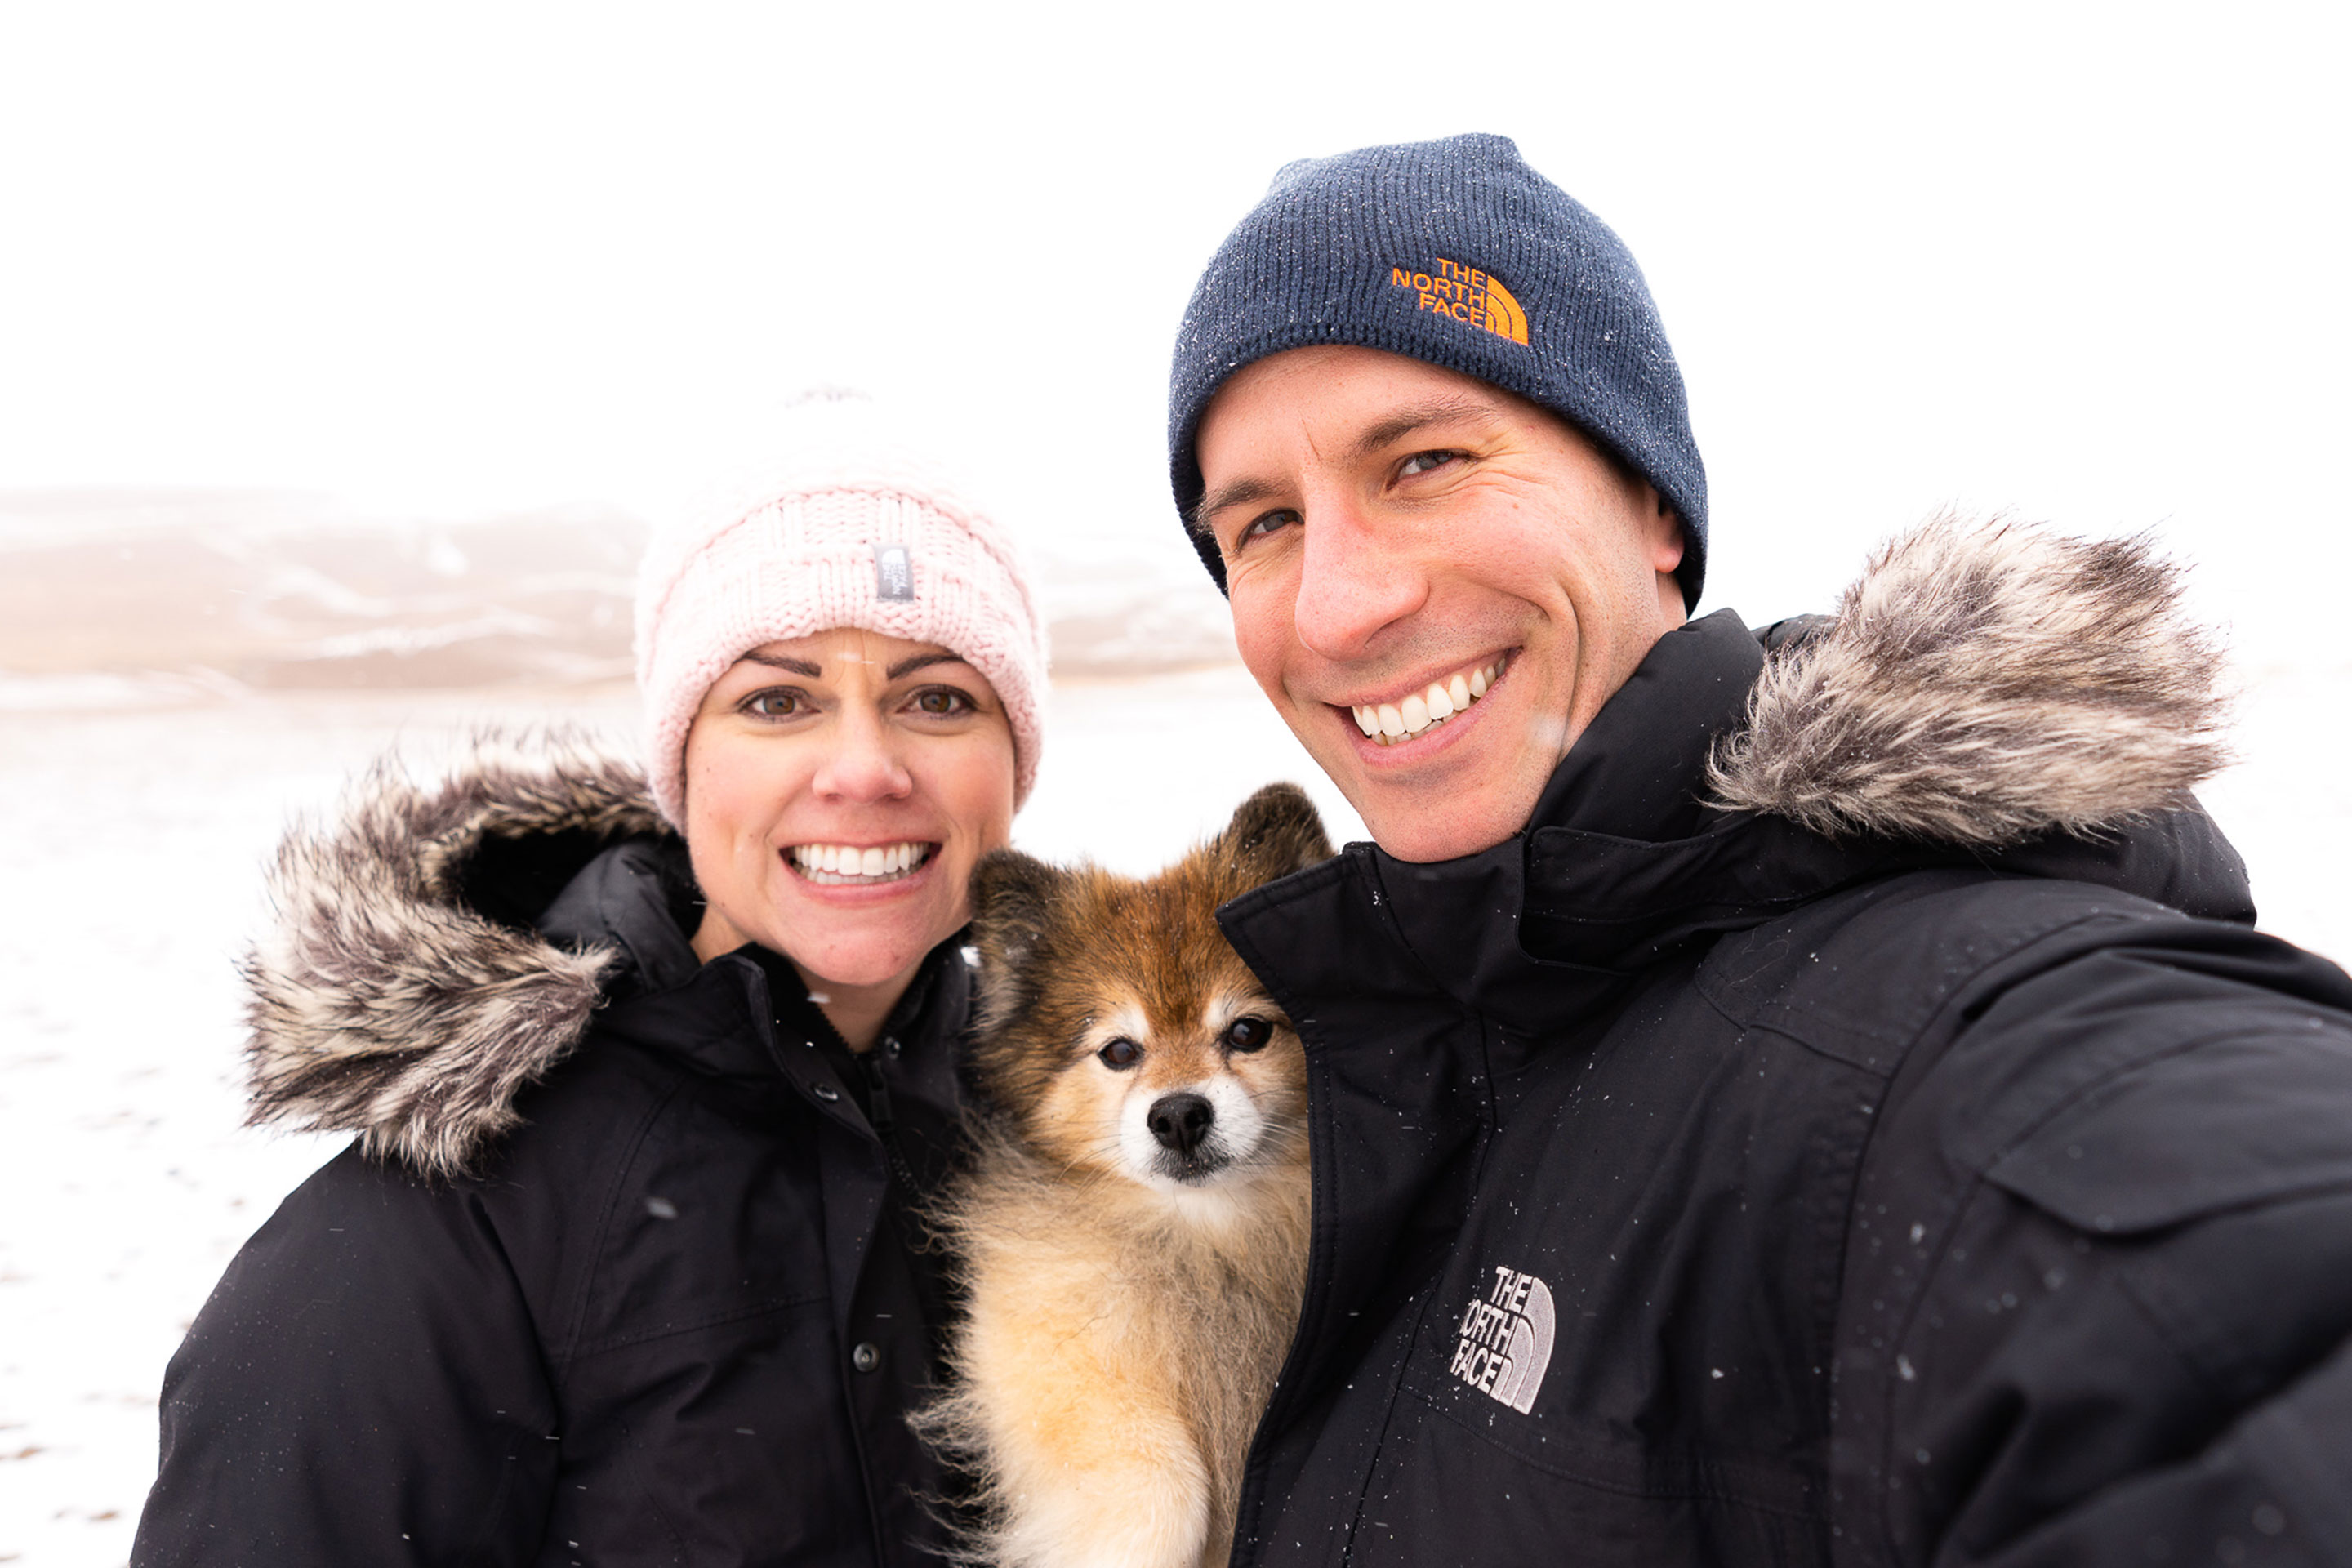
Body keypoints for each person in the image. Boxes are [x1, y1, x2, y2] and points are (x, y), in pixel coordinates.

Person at [1165, 135, 2352, 1564]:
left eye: (1425, 461)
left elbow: (2231, 1289)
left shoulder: (1940, 1030)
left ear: (1655, 508)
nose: (1340, 606)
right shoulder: (1447, 1034)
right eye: (1267, 526)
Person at [129, 396, 1049, 1566]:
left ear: (1013, 759)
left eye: (938, 699)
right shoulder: (435, 1231)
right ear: (681, 762)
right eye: (777, 701)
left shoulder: (1086, 1147)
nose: (865, 768)